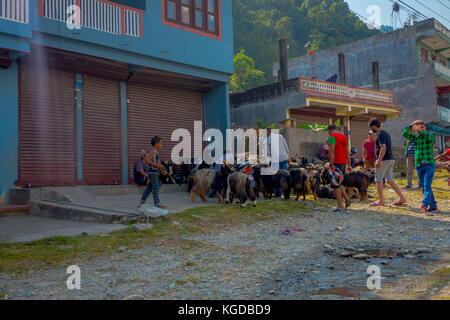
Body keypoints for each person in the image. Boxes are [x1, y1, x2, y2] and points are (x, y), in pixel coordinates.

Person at [369, 119, 407, 207]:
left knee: (378, 180)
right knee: (389, 180)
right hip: (390, 159)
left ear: (374, 126)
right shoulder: (385, 133)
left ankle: (380, 201)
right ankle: (402, 198)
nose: (371, 129)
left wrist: (379, 160)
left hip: (384, 160)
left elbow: (383, 147)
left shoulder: (380, 134)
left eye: (371, 127)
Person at [402, 120, 437, 215]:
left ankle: (424, 205)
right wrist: (411, 125)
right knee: (425, 187)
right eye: (419, 126)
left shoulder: (430, 136)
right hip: (419, 166)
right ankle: (433, 206)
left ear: (425, 128)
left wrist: (420, 130)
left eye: (422, 127)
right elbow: (404, 133)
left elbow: (426, 136)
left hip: (429, 165)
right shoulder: (416, 137)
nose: (420, 128)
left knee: (426, 186)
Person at [327, 124, 352, 212]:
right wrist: (349, 165)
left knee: (336, 184)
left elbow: (331, 152)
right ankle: (347, 198)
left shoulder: (331, 137)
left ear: (329, 130)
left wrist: (331, 163)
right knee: (340, 182)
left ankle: (340, 206)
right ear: (336, 129)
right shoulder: (345, 137)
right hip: (343, 163)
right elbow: (347, 152)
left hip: (336, 163)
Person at [138, 136, 167, 209]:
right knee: (156, 188)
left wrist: (161, 170)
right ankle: (157, 204)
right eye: (160, 143)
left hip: (155, 172)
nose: (161, 145)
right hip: (153, 173)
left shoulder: (156, 152)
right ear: (156, 144)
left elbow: (157, 163)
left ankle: (142, 202)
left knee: (149, 188)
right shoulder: (153, 151)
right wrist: (158, 166)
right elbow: (148, 162)